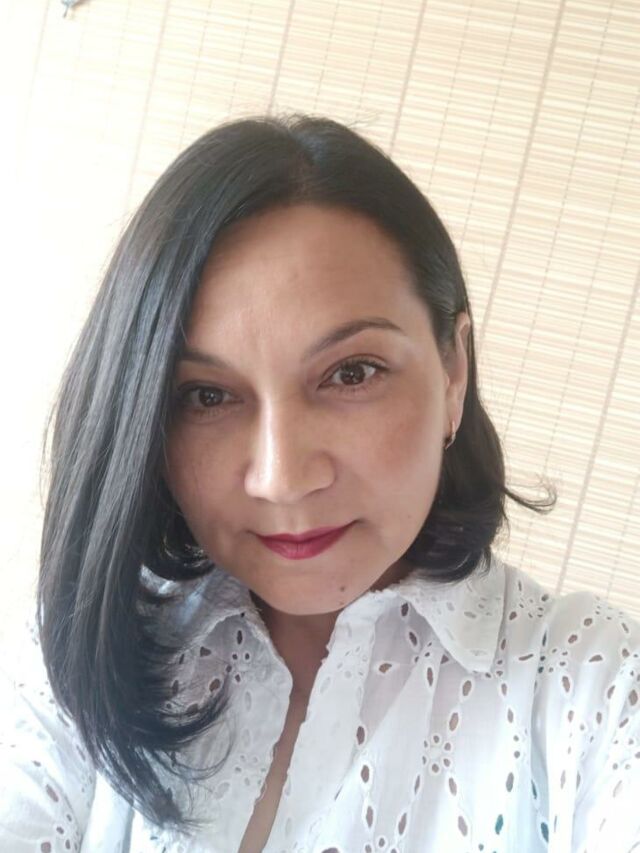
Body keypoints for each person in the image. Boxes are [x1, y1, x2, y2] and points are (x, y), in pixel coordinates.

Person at [1, 114, 638, 853]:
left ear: (453, 371)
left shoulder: (593, 686)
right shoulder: (87, 645)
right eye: (207, 396)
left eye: (352, 373)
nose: (283, 478)